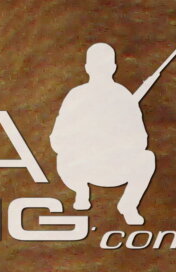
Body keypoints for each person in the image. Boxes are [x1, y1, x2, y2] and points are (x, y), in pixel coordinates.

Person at [53, 42, 158, 225]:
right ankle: (81, 191)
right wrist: (85, 142)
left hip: (115, 167)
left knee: (147, 158)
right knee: (64, 157)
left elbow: (141, 141)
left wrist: (116, 141)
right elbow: (57, 139)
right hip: (82, 167)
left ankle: (128, 205)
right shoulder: (76, 96)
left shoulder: (123, 97)